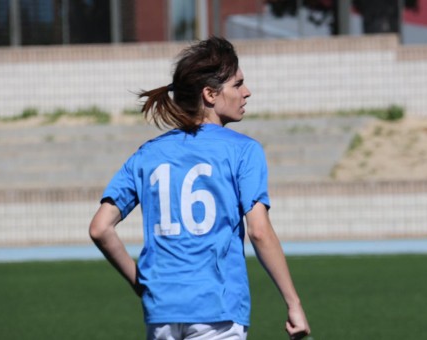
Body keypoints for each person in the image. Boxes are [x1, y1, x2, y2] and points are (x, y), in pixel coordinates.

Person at [89, 37, 310, 340]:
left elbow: (100, 229)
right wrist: (293, 302)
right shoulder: (243, 151)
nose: (247, 92)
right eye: (238, 84)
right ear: (210, 94)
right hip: (216, 310)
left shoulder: (148, 153)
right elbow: (259, 231)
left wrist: (141, 284)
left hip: (162, 311)